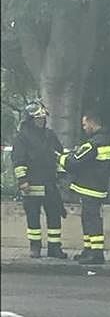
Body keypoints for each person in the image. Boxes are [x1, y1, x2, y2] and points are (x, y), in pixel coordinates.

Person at [11, 100, 67, 259]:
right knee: (33, 217)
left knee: (54, 215)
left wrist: (61, 176)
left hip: (50, 183)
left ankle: (54, 248)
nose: (41, 121)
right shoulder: (22, 137)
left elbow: (60, 155)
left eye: (43, 118)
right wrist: (23, 181)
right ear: (29, 120)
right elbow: (18, 160)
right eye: (38, 119)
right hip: (32, 183)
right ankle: (35, 247)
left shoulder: (50, 135)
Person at [59, 110, 110, 265]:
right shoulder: (108, 141)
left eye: (85, 124)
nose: (84, 128)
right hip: (98, 187)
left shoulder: (94, 143)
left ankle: (96, 254)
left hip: (89, 188)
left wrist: (61, 158)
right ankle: (89, 250)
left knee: (92, 220)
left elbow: (74, 162)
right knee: (88, 218)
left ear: (92, 123)